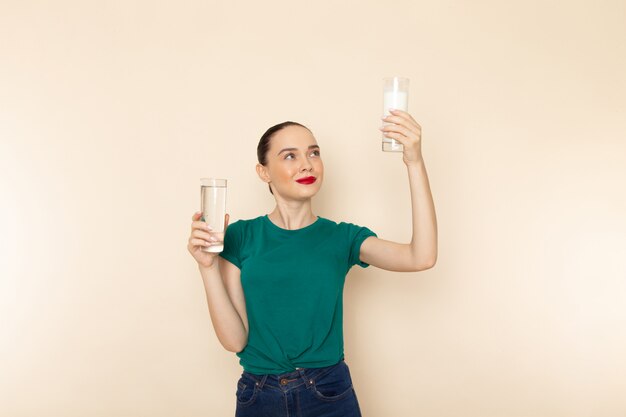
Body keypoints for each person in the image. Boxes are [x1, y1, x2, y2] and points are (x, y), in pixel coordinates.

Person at [187, 109, 438, 417]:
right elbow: (234, 339)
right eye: (289, 156)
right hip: (259, 396)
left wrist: (414, 161)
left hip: (329, 392)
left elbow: (421, 256)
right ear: (263, 172)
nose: (307, 164)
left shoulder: (342, 238)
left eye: (314, 153)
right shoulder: (240, 236)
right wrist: (207, 267)